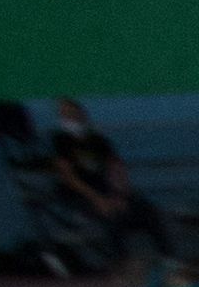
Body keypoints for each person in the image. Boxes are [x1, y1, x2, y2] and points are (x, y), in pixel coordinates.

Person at [39, 98, 167, 268]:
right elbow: (69, 178)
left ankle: (168, 259)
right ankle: (121, 263)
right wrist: (97, 199)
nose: (71, 117)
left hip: (108, 191)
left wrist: (120, 195)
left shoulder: (98, 140)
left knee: (147, 210)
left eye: (73, 112)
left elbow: (117, 169)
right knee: (108, 215)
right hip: (79, 194)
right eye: (65, 114)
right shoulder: (58, 141)